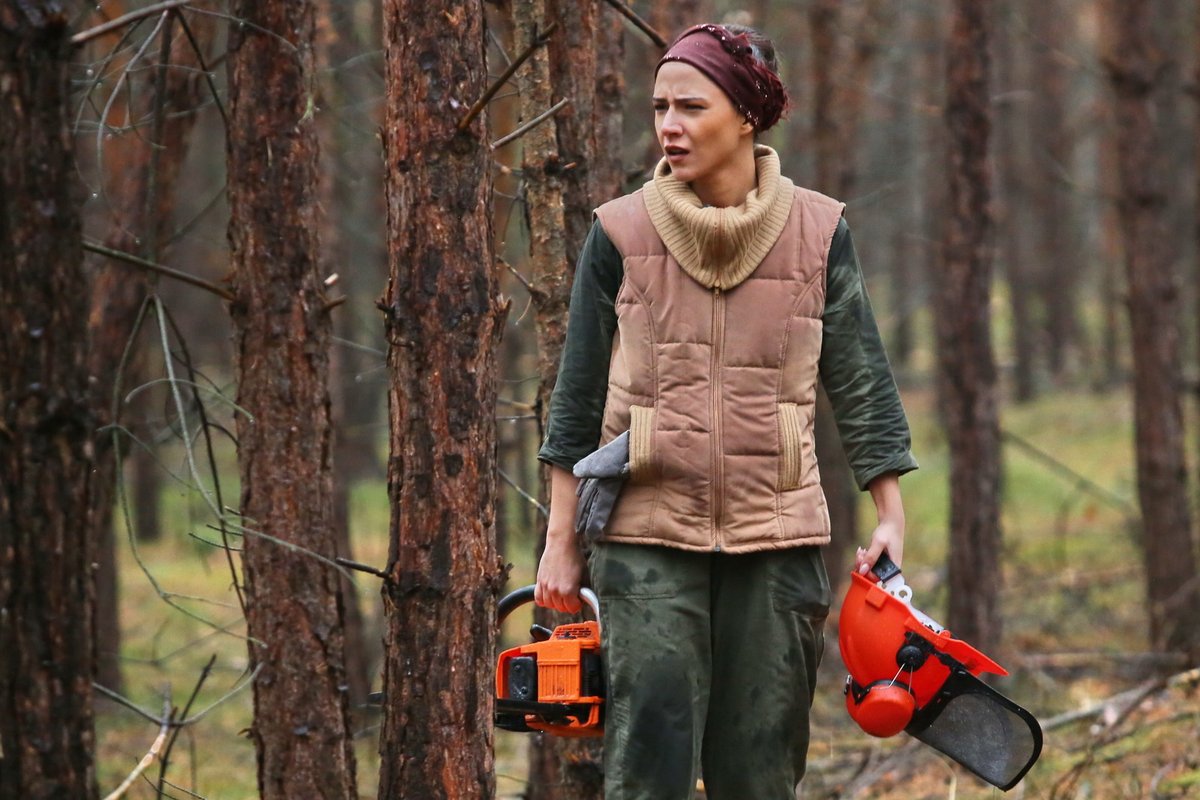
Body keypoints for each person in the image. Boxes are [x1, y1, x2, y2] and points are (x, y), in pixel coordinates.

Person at [534, 22, 917, 800]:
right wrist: (560, 545)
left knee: (761, 766)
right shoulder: (619, 231)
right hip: (645, 533)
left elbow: (862, 380)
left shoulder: (818, 231)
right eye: (658, 107)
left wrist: (890, 516)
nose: (668, 126)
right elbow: (575, 399)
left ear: (746, 114)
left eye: (690, 106)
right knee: (651, 763)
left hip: (776, 535)